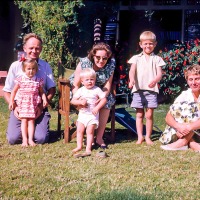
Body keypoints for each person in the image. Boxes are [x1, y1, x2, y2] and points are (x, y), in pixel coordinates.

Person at [3, 33, 56, 145]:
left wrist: (41, 107)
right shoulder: (15, 66)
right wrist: (14, 107)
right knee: (13, 139)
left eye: (37, 48)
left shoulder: (45, 66)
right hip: (21, 106)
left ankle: (32, 134)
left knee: (41, 139)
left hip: (37, 106)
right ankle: (21, 133)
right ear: (24, 48)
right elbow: (7, 91)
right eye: (31, 48)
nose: (34, 51)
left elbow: (51, 89)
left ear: (41, 49)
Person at [69, 42, 115, 149]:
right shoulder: (84, 63)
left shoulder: (111, 64)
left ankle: (99, 137)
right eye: (98, 57)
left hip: (99, 91)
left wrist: (101, 97)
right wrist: (80, 98)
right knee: (84, 101)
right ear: (93, 55)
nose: (101, 61)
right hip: (81, 90)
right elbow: (75, 84)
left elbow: (107, 86)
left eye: (104, 58)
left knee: (106, 101)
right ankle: (84, 133)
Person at [128, 31, 165, 145]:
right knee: (139, 114)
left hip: (151, 91)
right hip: (138, 90)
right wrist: (132, 80)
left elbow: (160, 74)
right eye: (145, 44)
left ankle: (148, 136)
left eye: (150, 43)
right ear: (140, 44)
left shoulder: (157, 59)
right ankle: (140, 136)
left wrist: (155, 80)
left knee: (149, 115)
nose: (148, 46)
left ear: (155, 44)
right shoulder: (136, 58)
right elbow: (132, 70)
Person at [160, 64, 200, 151]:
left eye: (197, 79)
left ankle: (183, 142)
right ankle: (192, 143)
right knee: (180, 108)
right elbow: (168, 116)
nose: (194, 83)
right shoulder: (185, 94)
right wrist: (179, 127)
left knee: (194, 108)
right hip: (187, 130)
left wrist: (188, 127)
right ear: (187, 81)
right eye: (190, 79)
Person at [9, 59, 48, 147]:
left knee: (31, 121)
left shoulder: (38, 80)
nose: (31, 71)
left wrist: (44, 100)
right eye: (28, 69)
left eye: (33, 69)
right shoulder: (20, 80)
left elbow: (41, 92)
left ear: (36, 69)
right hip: (23, 104)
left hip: (32, 104)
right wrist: (11, 101)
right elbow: (14, 91)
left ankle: (30, 139)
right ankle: (25, 140)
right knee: (24, 121)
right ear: (24, 69)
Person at [70, 68, 107, 157]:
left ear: (95, 80)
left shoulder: (97, 89)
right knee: (79, 130)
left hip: (92, 115)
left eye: (92, 79)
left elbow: (104, 99)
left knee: (89, 131)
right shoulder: (81, 90)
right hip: (82, 114)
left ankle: (88, 148)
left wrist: (97, 107)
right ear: (82, 81)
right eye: (87, 80)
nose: (90, 82)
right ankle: (79, 146)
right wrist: (80, 102)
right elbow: (72, 101)